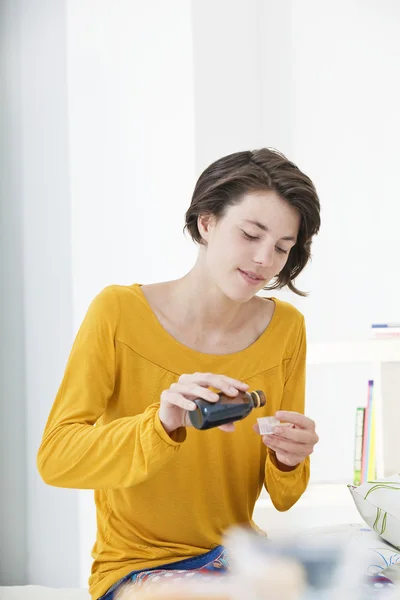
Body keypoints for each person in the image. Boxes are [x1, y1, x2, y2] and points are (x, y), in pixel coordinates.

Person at [37, 148, 321, 600]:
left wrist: (289, 457)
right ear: (206, 222)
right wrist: (161, 422)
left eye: (283, 248)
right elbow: (56, 459)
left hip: (239, 559)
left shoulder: (287, 328)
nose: (265, 260)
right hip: (140, 568)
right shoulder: (118, 312)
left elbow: (284, 496)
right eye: (250, 234)